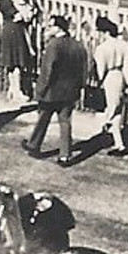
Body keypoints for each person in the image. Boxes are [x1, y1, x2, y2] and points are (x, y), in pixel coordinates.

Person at [29, 15, 90, 165]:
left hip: (52, 91)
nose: (48, 29)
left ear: (58, 28)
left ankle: (34, 145)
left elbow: (47, 71)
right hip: (70, 91)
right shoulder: (78, 45)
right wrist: (81, 86)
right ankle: (65, 155)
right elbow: (84, 69)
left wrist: (39, 90)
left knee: (43, 117)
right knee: (65, 122)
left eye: (51, 26)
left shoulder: (54, 45)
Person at [92, 16, 128, 156]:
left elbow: (100, 71)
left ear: (104, 32)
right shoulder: (125, 45)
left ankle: (106, 129)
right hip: (121, 76)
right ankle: (119, 143)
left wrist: (97, 83)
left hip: (109, 77)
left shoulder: (102, 48)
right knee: (116, 109)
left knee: (112, 109)